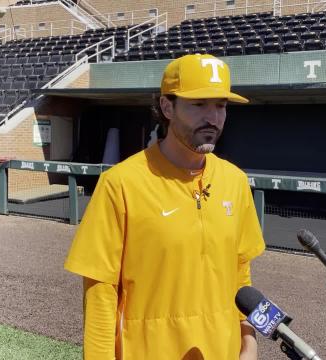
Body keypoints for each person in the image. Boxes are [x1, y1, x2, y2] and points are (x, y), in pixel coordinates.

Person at [64, 54, 265, 359]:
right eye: (199, 104)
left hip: (221, 351)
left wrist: (248, 342)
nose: (213, 117)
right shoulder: (121, 183)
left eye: (221, 105)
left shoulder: (234, 181)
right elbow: (100, 291)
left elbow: (241, 273)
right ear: (167, 107)